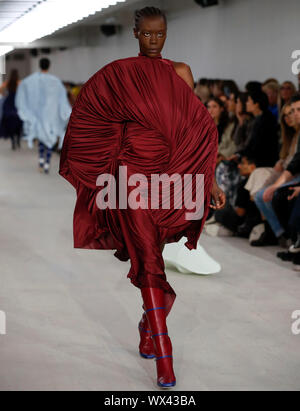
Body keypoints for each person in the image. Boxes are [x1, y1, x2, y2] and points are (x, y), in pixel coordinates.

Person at [59, 6, 225, 388]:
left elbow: (195, 132)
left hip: (172, 177)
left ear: (166, 33)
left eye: (161, 34)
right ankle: (165, 361)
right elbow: (91, 117)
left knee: (155, 253)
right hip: (131, 178)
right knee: (149, 258)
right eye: (148, 34)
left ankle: (148, 323)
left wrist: (209, 179)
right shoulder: (119, 74)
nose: (154, 40)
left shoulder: (180, 72)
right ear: (136, 34)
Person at [15, 58, 71, 173]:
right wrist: (64, 112)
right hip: (51, 114)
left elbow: (26, 94)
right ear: (49, 66)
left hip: (39, 114)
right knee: (50, 138)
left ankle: (41, 160)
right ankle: (47, 163)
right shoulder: (55, 81)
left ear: (40, 66)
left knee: (41, 137)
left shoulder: (33, 80)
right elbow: (61, 98)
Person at [0, 69, 22, 150]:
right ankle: (18, 139)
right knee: (19, 122)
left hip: (9, 102)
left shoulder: (8, 82)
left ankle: (13, 140)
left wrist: (5, 94)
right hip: (17, 102)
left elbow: (1, 89)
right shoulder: (19, 83)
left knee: (10, 122)